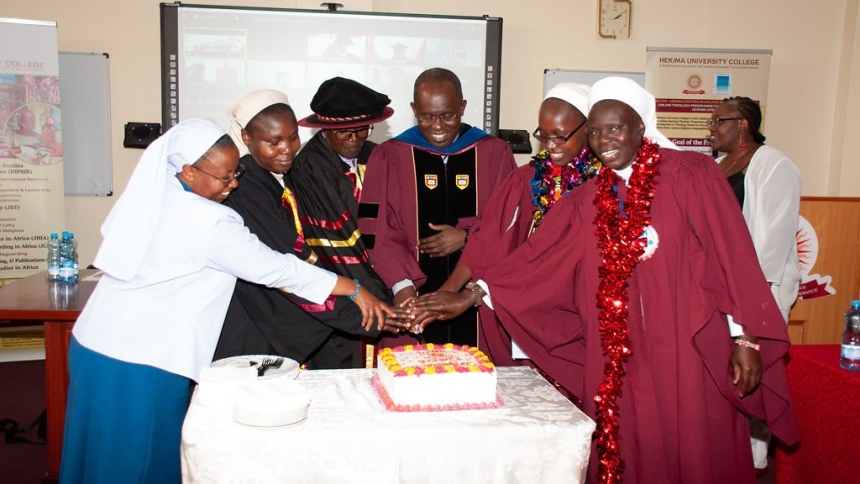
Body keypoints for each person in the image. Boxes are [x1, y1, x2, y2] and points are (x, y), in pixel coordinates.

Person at [468, 77, 799, 483]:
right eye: (594, 130)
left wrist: (745, 338)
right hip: (621, 356)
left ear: (641, 127)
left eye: (615, 127)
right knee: (627, 443)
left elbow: (730, 256)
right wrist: (478, 292)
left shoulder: (691, 176)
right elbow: (538, 261)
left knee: (694, 445)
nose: (603, 138)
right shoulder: (587, 199)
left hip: (687, 349)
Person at [59, 118, 398, 484]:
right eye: (224, 178)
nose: (233, 184)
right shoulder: (211, 221)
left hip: (95, 345)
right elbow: (277, 270)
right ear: (188, 171)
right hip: (142, 361)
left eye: (235, 173)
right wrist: (354, 288)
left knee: (97, 454)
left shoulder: (156, 198)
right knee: (140, 461)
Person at [409, 83, 600, 369]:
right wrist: (448, 291)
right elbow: (491, 240)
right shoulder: (527, 179)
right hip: (534, 312)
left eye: (561, 137)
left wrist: (469, 296)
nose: (551, 146)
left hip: (588, 310)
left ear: (589, 129)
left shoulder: (606, 185)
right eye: (544, 136)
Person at [213, 90, 401, 370]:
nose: (287, 149)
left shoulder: (279, 175)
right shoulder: (248, 187)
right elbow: (287, 263)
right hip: (254, 328)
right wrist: (362, 309)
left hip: (279, 319)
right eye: (273, 142)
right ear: (247, 138)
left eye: (292, 137)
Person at [358, 67, 517, 346]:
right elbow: (378, 230)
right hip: (413, 299)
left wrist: (467, 237)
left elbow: (507, 223)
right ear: (413, 109)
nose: (438, 126)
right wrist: (402, 286)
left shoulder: (494, 153)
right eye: (427, 117)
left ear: (463, 107)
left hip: (476, 297)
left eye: (448, 115)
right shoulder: (389, 156)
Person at [709, 96, 802, 473]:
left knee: (755, 375)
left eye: (719, 121)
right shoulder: (716, 166)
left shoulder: (774, 164)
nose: (712, 129)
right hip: (722, 289)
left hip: (759, 288)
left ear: (744, 124)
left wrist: (748, 293)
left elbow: (775, 237)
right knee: (729, 375)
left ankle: (756, 461)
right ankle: (730, 453)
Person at [287, 77, 396, 366]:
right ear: (326, 129)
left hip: (382, 286)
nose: (355, 139)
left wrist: (401, 284)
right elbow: (337, 242)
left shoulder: (375, 154)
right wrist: (381, 296)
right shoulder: (310, 167)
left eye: (362, 129)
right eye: (344, 133)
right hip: (343, 296)